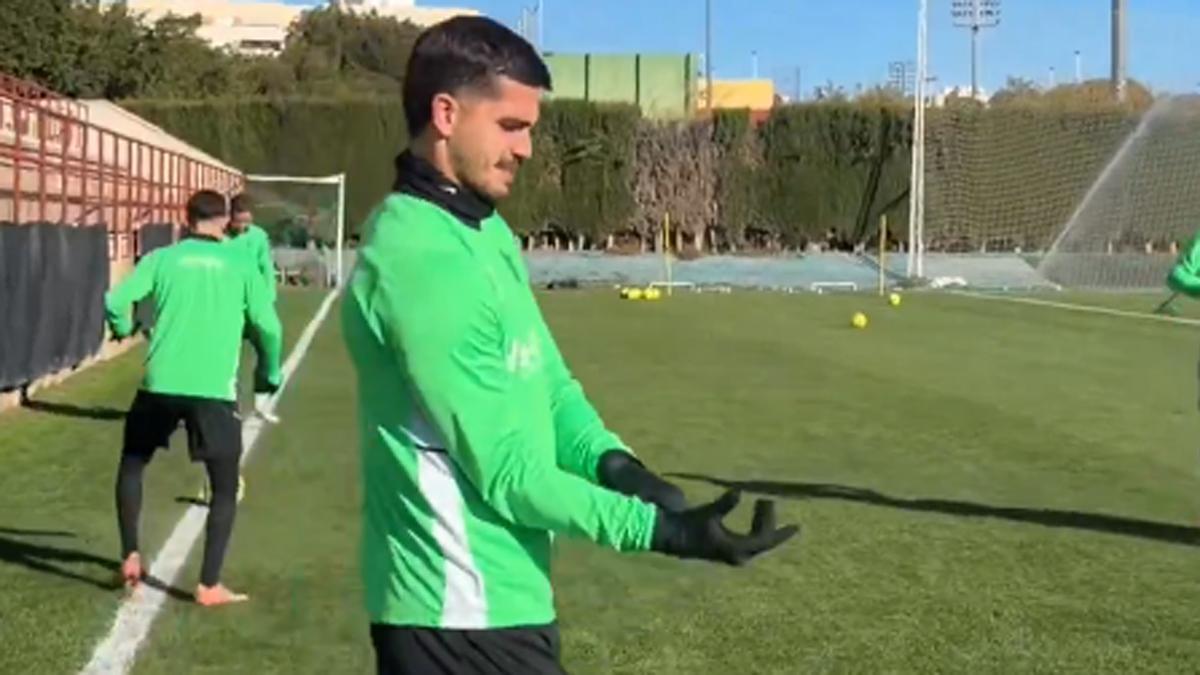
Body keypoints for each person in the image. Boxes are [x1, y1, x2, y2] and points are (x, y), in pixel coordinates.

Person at [340, 16, 798, 675]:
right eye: (510, 126)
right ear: (445, 114)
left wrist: (626, 472)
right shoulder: (417, 256)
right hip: (451, 616)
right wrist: (660, 530)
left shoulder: (484, 232)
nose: (526, 148)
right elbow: (509, 474)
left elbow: (549, 386)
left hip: (506, 601)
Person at [104, 189, 283, 607]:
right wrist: (268, 372)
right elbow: (268, 328)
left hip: (159, 383)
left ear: (186, 220)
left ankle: (130, 554)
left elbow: (116, 299)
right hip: (212, 391)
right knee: (223, 487)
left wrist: (124, 327)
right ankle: (209, 584)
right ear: (224, 221)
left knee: (133, 463)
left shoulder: (162, 259)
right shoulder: (240, 264)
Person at [226, 193, 281, 424]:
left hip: (256, 303)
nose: (243, 226)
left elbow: (266, 267)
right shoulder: (220, 237)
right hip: (229, 305)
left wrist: (269, 297)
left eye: (247, 221)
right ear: (230, 217)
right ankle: (229, 406)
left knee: (271, 345)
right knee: (228, 358)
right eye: (239, 221)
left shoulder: (258, 237)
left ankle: (262, 402)